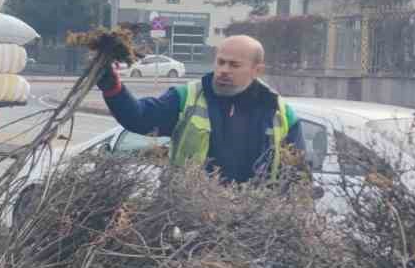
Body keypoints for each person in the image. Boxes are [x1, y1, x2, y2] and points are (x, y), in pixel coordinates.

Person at [98, 34, 304, 184]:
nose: (224, 70)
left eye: (234, 65)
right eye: (221, 62)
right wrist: (114, 89)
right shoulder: (187, 97)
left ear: (256, 70)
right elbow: (139, 118)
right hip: (189, 219)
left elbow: (297, 177)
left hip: (252, 228)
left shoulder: (281, 113)